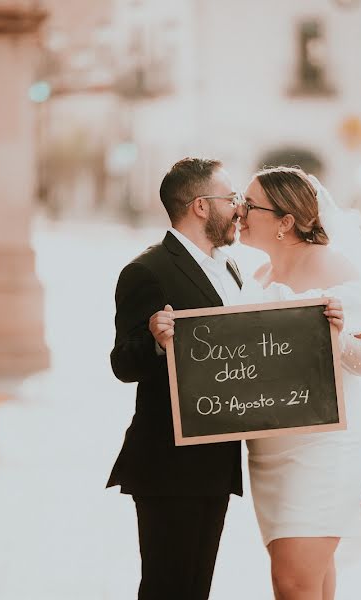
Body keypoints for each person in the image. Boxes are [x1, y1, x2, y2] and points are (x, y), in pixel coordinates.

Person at [236, 166, 361, 600]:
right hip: (270, 451)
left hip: (325, 444)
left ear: (285, 222)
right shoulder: (257, 280)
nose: (240, 212)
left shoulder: (336, 267)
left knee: (292, 580)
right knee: (309, 578)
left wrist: (336, 336)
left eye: (250, 205)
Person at [107, 157, 248, 600]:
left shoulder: (230, 269)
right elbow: (122, 364)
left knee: (196, 589)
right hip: (167, 464)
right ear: (202, 206)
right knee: (166, 589)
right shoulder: (147, 271)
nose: (239, 208)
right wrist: (154, 343)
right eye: (232, 199)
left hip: (216, 462)